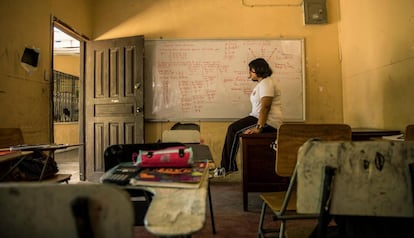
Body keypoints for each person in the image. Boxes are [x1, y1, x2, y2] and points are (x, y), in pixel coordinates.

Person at [217, 58, 283, 176]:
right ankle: (227, 166)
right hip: (257, 117)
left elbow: (266, 107)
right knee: (233, 128)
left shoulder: (267, 83)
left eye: (251, 70)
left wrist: (259, 127)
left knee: (233, 129)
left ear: (258, 70)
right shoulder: (262, 84)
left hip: (268, 121)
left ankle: (227, 167)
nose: (249, 73)